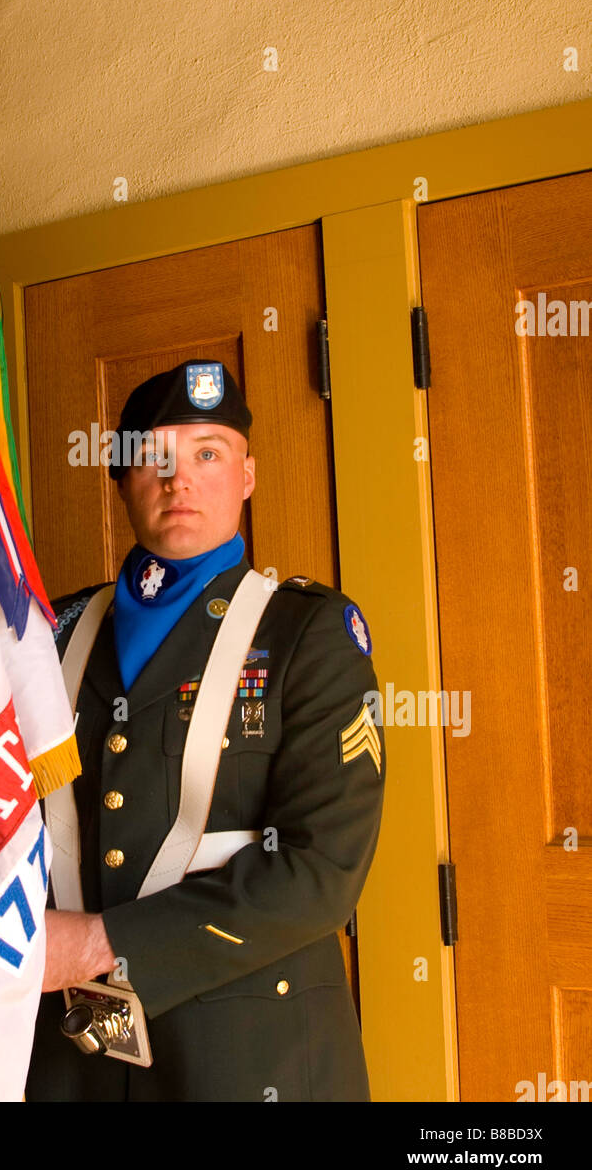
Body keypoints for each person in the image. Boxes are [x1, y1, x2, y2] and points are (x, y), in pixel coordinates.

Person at [24, 360, 385, 1102]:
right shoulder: (49, 632)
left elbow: (322, 871)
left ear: (246, 476)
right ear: (120, 479)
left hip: (248, 1059)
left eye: (207, 454)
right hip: (70, 1059)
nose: (178, 480)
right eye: (154, 459)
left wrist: (99, 943)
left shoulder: (308, 632)